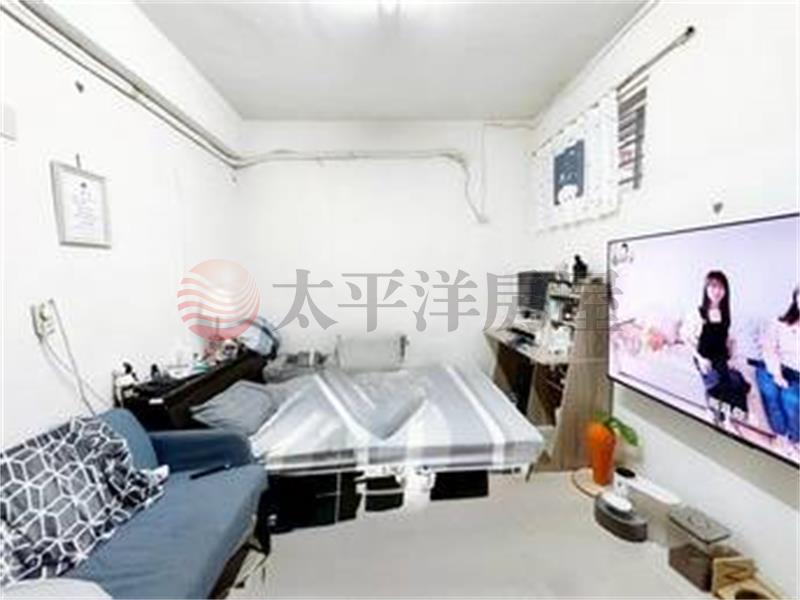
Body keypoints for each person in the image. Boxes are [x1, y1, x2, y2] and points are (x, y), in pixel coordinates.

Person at [684, 271, 750, 420]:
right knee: (716, 384)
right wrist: (700, 359)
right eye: (713, 286)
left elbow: (730, 340)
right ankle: (717, 413)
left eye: (721, 287)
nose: (717, 291)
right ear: (706, 289)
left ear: (726, 291)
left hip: (721, 355)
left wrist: (732, 358)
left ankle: (735, 416)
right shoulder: (698, 313)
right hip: (704, 356)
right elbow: (686, 338)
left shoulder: (725, 313)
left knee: (734, 384)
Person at [756, 288, 800, 445]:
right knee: (771, 392)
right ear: (796, 298)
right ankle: (781, 436)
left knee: (792, 400)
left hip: (796, 374)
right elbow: (768, 348)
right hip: (771, 366)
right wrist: (777, 374)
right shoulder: (779, 322)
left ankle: (794, 440)